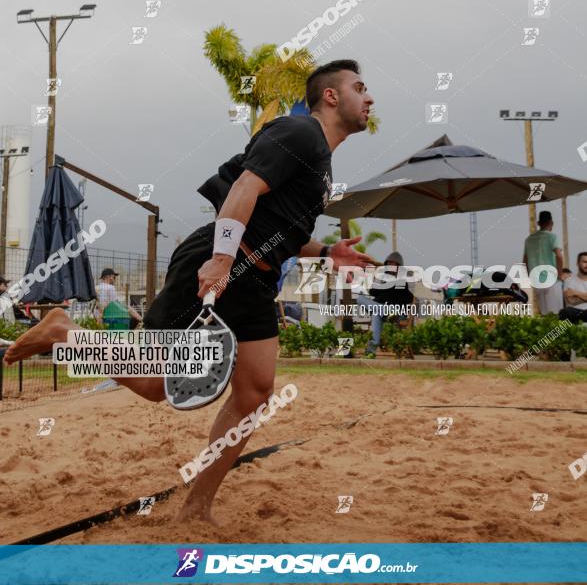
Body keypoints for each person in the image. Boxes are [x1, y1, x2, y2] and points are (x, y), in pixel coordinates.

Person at [4, 59, 376, 523]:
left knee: (257, 391)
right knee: (159, 386)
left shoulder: (321, 161)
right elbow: (244, 186)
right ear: (331, 96)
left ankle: (198, 505)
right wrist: (220, 261)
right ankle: (65, 334)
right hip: (220, 261)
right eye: (360, 87)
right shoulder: (301, 133)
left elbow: (280, 226)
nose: (370, 98)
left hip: (257, 281)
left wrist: (325, 251)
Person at [356, 251, 414, 357]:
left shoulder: (402, 281)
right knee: (360, 298)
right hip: (384, 312)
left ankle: (370, 351)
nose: (391, 266)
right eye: (389, 263)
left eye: (393, 263)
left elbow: (408, 298)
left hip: (397, 314)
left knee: (376, 312)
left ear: (398, 266)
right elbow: (373, 292)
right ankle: (386, 313)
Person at [523, 210, 564, 314]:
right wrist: (560, 274)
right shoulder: (552, 237)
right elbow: (559, 255)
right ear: (551, 223)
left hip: (536, 280)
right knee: (556, 312)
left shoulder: (528, 239)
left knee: (544, 311)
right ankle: (556, 331)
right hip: (551, 278)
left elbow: (525, 261)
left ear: (538, 223)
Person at [559, 252, 587, 323]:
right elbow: (570, 301)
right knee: (564, 312)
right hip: (574, 313)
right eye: (584, 262)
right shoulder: (569, 280)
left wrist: (575, 293)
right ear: (577, 263)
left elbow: (574, 299)